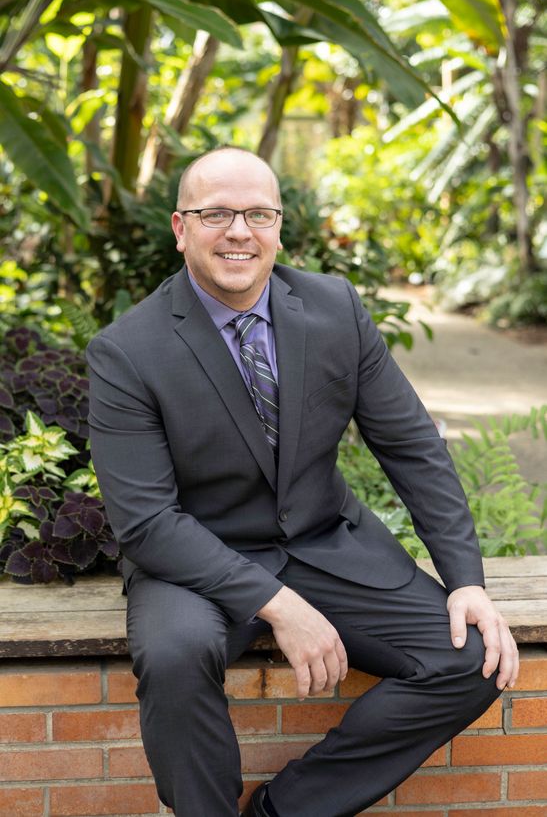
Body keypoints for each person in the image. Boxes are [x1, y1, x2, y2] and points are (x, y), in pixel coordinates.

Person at [87, 146, 519, 817]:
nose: (239, 231)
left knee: (470, 660)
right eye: (216, 214)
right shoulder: (127, 350)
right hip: (197, 561)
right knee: (175, 657)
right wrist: (279, 605)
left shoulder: (334, 308)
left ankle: (283, 811)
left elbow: (410, 448)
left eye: (257, 214)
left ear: (279, 226)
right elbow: (146, 522)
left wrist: (465, 581)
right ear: (180, 229)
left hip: (325, 544)